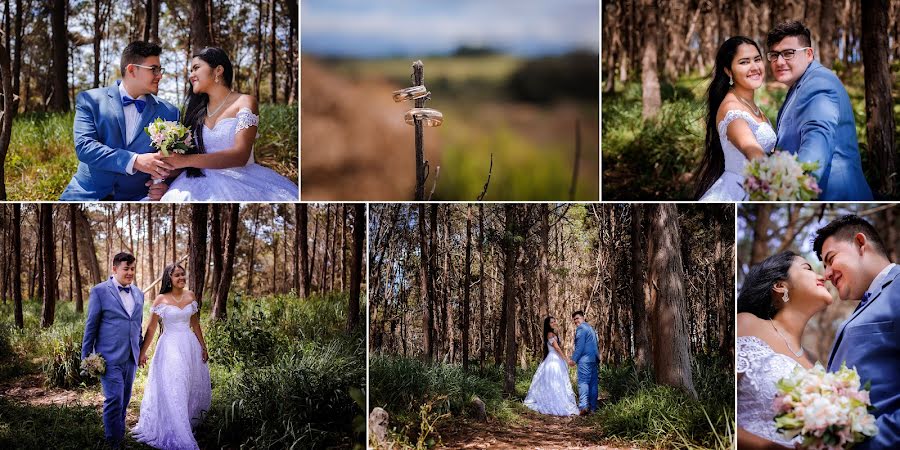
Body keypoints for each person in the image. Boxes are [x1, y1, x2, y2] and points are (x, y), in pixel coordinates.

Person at [153, 47, 298, 201]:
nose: (191, 75)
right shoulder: (195, 111)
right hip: (194, 181)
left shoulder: (245, 101)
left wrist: (185, 161)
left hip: (241, 179)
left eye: (196, 68)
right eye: (190, 71)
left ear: (218, 70)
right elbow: (187, 160)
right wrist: (166, 173)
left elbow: (240, 155)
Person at [816, 215, 898, 449]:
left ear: (861, 243)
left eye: (831, 259)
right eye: (824, 266)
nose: (828, 273)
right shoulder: (864, 306)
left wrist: (869, 444)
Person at [736, 251, 833, 449]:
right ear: (780, 286)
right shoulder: (747, 324)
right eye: (807, 268)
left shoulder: (816, 363)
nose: (823, 276)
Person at [767, 21, 873, 200]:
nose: (779, 61)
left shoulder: (819, 84)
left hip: (833, 195)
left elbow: (815, 144)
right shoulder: (800, 84)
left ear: (809, 54)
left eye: (788, 53)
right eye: (774, 55)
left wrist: (792, 189)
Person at [61, 41, 177, 201]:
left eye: (160, 69)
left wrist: (165, 186)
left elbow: (173, 163)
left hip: (138, 198)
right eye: (153, 69)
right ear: (131, 70)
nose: (160, 75)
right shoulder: (90, 100)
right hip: (85, 193)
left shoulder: (170, 112)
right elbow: (84, 148)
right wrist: (135, 161)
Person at [132, 263, 211, 449]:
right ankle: (177, 430)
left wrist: (203, 347)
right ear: (169, 278)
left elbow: (195, 324)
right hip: (169, 347)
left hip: (189, 346)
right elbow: (151, 329)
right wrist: (142, 353)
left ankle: (186, 422)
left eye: (183, 275)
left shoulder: (191, 296)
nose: (181, 278)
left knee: (188, 384)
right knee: (175, 384)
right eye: (177, 275)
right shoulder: (161, 299)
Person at [696, 36, 774, 201]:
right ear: (728, 71)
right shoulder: (732, 110)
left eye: (757, 59)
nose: (754, 67)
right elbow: (752, 149)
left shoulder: (750, 105)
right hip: (739, 191)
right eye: (744, 62)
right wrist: (782, 181)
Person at [81, 252, 144, 448]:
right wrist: (87, 358)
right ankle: (113, 442)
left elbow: (138, 325)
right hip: (108, 358)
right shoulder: (100, 291)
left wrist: (140, 350)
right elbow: (91, 326)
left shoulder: (139, 293)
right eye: (126, 269)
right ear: (114, 269)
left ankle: (120, 436)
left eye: (132, 268)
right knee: (114, 399)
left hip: (131, 357)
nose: (130, 272)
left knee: (124, 400)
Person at [523, 316, 579, 416]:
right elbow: (557, 348)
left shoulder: (552, 333)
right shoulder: (550, 334)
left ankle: (556, 399)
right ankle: (553, 402)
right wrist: (566, 360)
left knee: (558, 381)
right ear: (548, 325)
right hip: (553, 360)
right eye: (551, 322)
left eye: (554, 321)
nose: (554, 323)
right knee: (553, 380)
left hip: (554, 358)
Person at [567, 311, 599, 415]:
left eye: (577, 318)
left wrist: (574, 359)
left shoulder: (581, 329)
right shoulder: (591, 328)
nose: (576, 321)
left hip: (585, 360)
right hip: (593, 360)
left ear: (583, 317)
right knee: (593, 384)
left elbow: (579, 347)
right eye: (574, 319)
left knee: (583, 383)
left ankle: (583, 407)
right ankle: (593, 408)